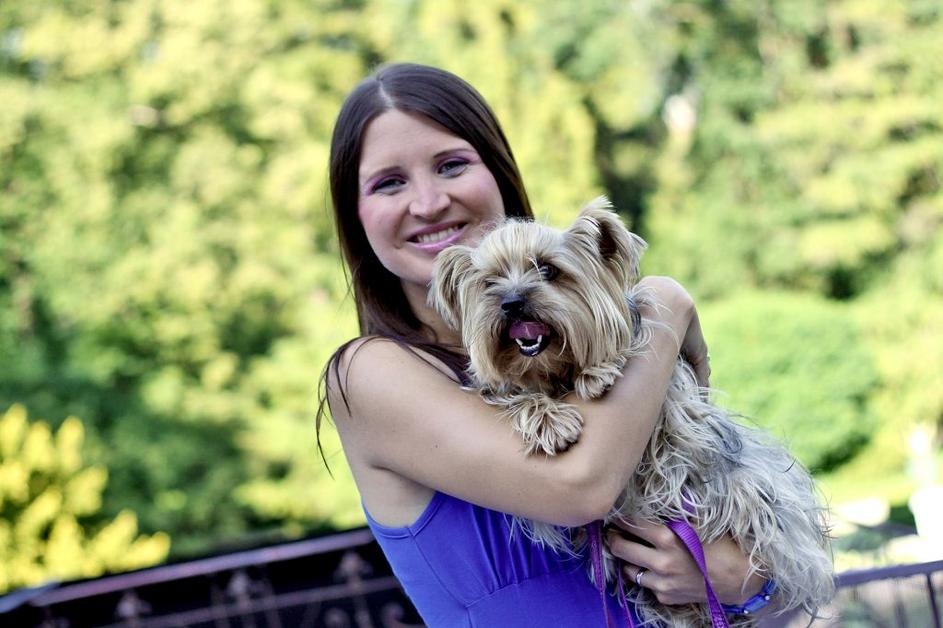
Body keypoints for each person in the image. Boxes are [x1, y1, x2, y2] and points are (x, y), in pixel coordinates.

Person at [318, 62, 765, 627]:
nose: (428, 203)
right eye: (389, 183)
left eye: (451, 165)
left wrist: (740, 580)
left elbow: (778, 588)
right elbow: (579, 488)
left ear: (499, 173)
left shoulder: (587, 348)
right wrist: (664, 305)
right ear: (355, 216)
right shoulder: (368, 374)